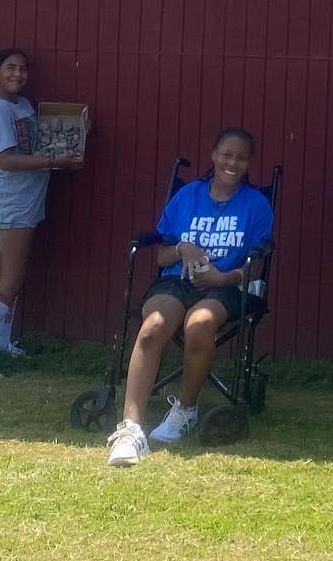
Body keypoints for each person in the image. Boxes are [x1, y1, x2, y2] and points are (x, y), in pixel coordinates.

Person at [108, 129, 275, 466]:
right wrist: (183, 248)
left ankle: (185, 408)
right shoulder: (187, 196)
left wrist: (223, 276)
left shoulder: (256, 205)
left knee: (199, 324)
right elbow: (160, 256)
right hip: (177, 281)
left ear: (248, 163)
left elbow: (256, 267)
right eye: (226, 154)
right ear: (213, 155)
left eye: (241, 157)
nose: (232, 162)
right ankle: (130, 430)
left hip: (226, 286)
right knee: (153, 326)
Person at [0, 47, 82, 380]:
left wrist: (77, 134)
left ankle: (0, 342)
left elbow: (37, 145)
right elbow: (7, 159)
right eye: (9, 68)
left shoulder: (22, 105)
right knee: (9, 280)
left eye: (23, 69)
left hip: (29, 198)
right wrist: (56, 162)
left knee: (15, 276)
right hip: (12, 199)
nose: (17, 74)